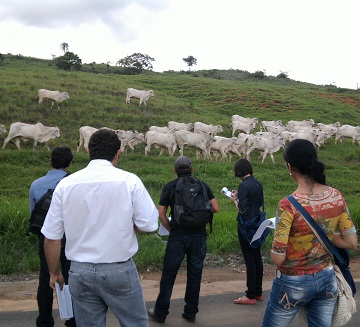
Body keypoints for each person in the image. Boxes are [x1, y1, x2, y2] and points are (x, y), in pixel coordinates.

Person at [41, 129, 159, 327]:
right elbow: (149, 225)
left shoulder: (66, 185)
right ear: (117, 154)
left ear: (88, 151)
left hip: (79, 272)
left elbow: (52, 237)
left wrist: (54, 272)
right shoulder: (129, 181)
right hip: (119, 270)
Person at [261, 139, 358, 327]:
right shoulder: (336, 196)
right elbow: (351, 242)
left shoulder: (287, 205)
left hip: (292, 283)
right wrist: (323, 234)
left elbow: (278, 258)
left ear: (289, 167)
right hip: (326, 279)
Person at [147, 155, 219, 323]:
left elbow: (161, 213)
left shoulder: (170, 187)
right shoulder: (202, 186)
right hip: (199, 236)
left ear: (175, 171)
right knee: (195, 274)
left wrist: (170, 227)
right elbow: (215, 208)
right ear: (192, 169)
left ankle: (160, 312)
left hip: (178, 235)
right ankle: (190, 312)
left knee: (169, 274)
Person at [29, 146, 75, 327]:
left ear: (51, 161)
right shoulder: (72, 183)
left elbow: (33, 213)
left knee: (46, 277)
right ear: (70, 163)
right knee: (70, 277)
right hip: (69, 236)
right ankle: (72, 320)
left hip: (46, 238)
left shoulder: (36, 184)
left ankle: (45, 321)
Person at [229, 158, 265, 305]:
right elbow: (258, 202)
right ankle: (258, 292)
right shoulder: (257, 183)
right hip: (258, 224)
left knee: (249, 259)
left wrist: (234, 201)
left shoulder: (244, 185)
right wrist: (240, 195)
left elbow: (243, 210)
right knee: (257, 257)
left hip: (246, 226)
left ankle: (249, 295)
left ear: (238, 171)